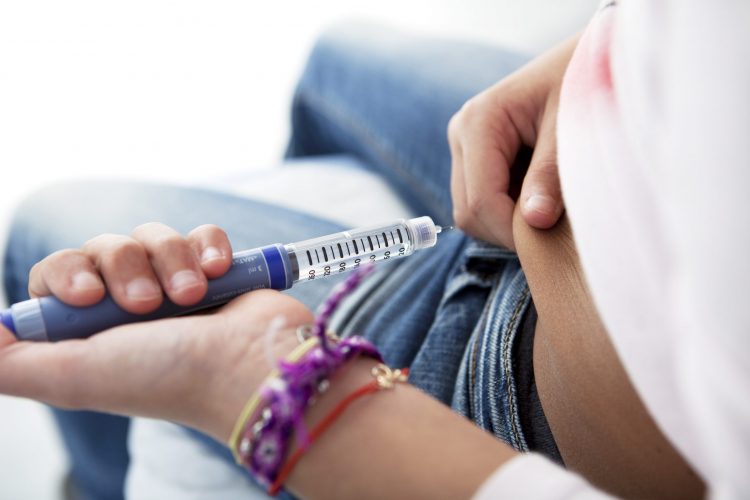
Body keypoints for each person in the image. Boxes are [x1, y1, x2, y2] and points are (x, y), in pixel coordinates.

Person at [2, 1, 749, 499]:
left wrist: (263, 383)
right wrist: (612, 46)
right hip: (572, 162)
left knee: (52, 219)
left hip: (513, 378)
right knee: (340, 58)